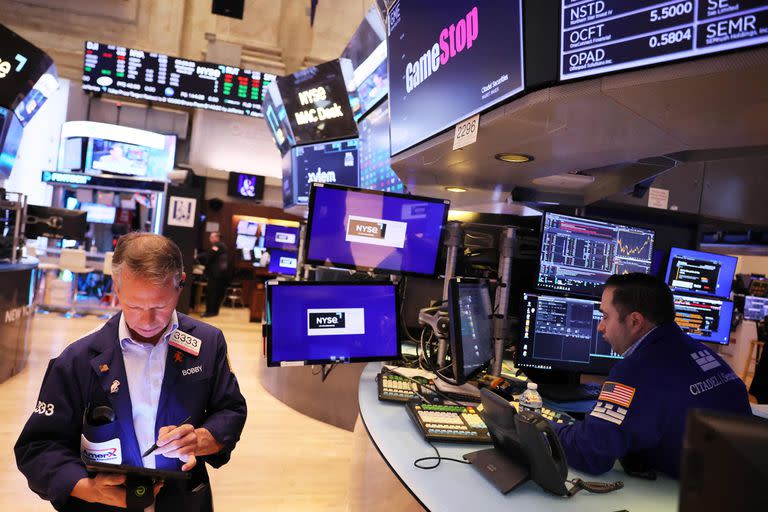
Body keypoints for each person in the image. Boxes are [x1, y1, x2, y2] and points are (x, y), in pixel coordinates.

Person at [15, 232, 247, 511]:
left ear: (180, 285)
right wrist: (90, 490)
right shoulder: (78, 358)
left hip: (182, 500)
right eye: (134, 306)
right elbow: (38, 448)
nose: (147, 321)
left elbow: (231, 409)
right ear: (117, 286)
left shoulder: (208, 344)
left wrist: (203, 438)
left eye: (160, 306)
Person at [553, 273, 751, 478]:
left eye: (605, 317)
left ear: (635, 321)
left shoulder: (634, 371)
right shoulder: (698, 350)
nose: (600, 326)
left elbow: (590, 453)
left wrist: (543, 425)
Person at [196, 231, 229, 318]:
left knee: (211, 293)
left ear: (217, 238)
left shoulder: (217, 246)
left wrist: (197, 256)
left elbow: (209, 255)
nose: (210, 239)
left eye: (211, 237)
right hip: (219, 275)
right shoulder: (222, 246)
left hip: (215, 275)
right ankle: (214, 311)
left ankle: (209, 312)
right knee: (216, 293)